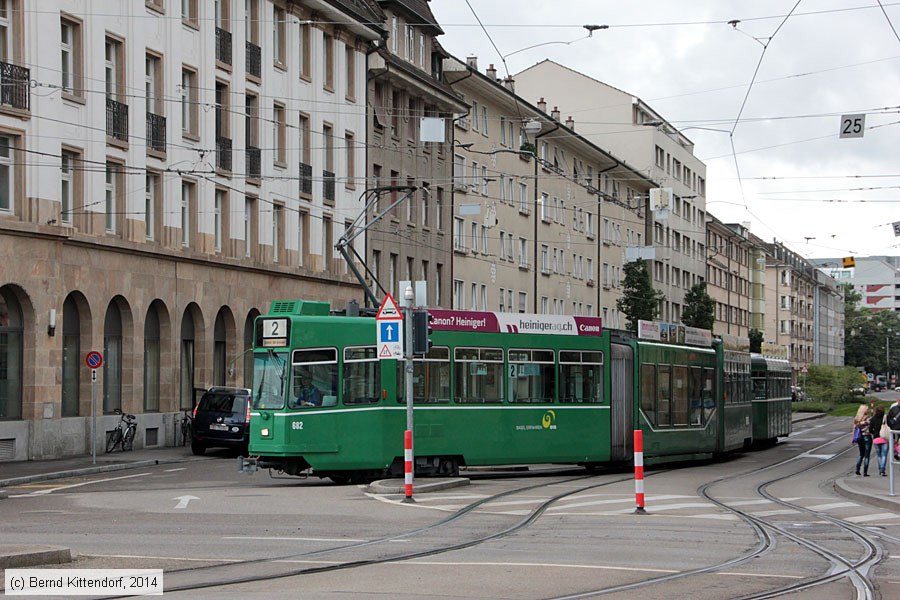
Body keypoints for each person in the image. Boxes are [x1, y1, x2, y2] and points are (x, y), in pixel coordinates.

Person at [854, 403, 873, 476]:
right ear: (865, 411)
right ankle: (865, 472)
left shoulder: (856, 418)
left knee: (861, 454)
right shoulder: (868, 418)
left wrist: (853, 438)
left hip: (859, 437)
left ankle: (857, 469)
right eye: (867, 409)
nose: (868, 411)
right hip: (867, 437)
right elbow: (871, 427)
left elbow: (854, 428)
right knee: (867, 455)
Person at [870, 405, 889, 476]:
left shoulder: (873, 419)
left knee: (879, 455)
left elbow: (870, 429)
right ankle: (882, 470)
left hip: (876, 439)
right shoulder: (885, 417)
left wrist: (874, 433)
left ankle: (880, 469)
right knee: (884, 455)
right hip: (884, 438)